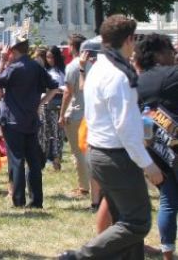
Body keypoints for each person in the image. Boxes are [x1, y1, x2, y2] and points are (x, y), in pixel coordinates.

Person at [59, 16, 164, 260]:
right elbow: (126, 128)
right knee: (137, 222)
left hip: (99, 152)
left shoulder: (98, 69)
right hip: (117, 155)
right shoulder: (119, 76)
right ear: (129, 40)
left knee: (124, 221)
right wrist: (148, 165)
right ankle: (79, 256)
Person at [0, 32, 59, 209]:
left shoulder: (14, 68)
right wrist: (40, 103)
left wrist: (1, 61)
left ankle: (19, 199)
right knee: (34, 162)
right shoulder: (36, 67)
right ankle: (37, 200)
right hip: (31, 119)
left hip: (13, 121)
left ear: (13, 50)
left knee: (16, 160)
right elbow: (54, 87)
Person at [134, 34, 178, 260]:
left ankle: (168, 251)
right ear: (159, 53)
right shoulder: (171, 74)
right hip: (175, 144)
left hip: (154, 149)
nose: (174, 55)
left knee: (168, 199)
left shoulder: (138, 80)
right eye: (171, 51)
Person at [59, 34, 89, 201]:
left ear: (73, 47)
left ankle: (84, 187)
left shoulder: (72, 66)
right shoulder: (92, 65)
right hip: (90, 113)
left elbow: (68, 93)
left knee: (78, 153)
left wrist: (62, 114)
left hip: (76, 112)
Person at [40, 45, 66, 171]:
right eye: (47, 57)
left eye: (51, 57)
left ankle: (57, 158)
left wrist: (59, 89)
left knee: (59, 133)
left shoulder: (61, 71)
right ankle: (52, 158)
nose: (49, 59)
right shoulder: (46, 71)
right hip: (49, 104)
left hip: (59, 103)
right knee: (50, 133)